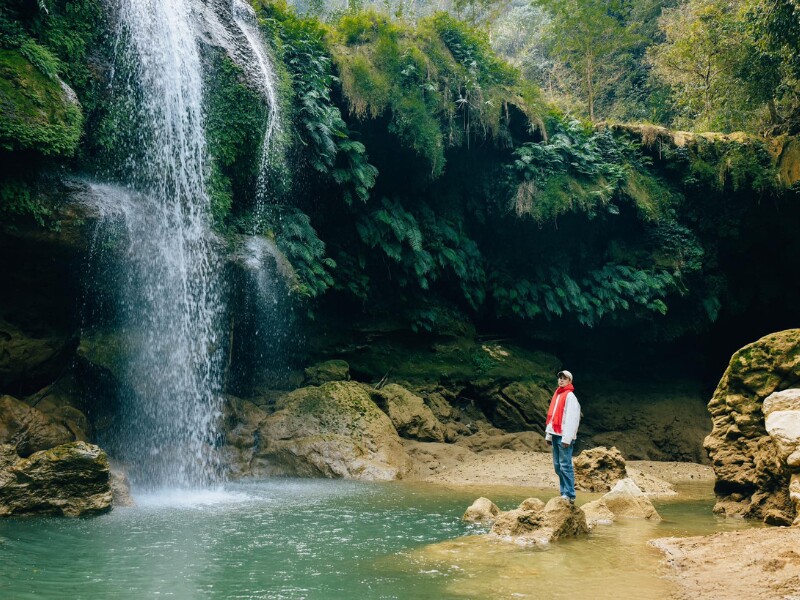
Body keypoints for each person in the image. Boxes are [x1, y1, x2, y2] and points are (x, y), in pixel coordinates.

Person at [545, 370, 581, 504]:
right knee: (557, 466)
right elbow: (553, 417)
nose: (561, 380)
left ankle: (570, 494)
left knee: (565, 465)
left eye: (564, 378)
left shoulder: (570, 396)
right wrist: (548, 435)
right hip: (555, 434)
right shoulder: (557, 395)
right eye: (560, 378)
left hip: (564, 436)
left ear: (569, 381)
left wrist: (567, 438)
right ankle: (563, 492)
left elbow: (572, 419)